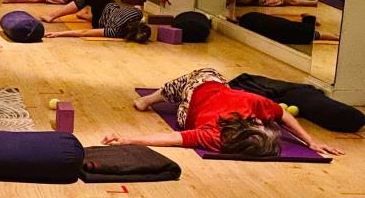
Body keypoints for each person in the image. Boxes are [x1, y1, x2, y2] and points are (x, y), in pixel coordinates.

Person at [105, 68, 343, 156]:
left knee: (198, 76)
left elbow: (170, 138)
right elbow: (285, 116)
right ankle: (153, 98)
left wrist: (128, 139)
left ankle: (149, 99)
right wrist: (310, 142)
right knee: (198, 83)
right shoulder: (218, 135)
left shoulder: (248, 105)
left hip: (198, 91)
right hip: (193, 109)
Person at [41, 0, 151, 43]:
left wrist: (58, 34)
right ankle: (84, 15)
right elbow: (85, 32)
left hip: (106, 8)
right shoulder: (116, 32)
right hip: (99, 21)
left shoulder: (137, 14)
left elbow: (84, 33)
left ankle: (52, 16)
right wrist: (57, 34)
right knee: (103, 19)